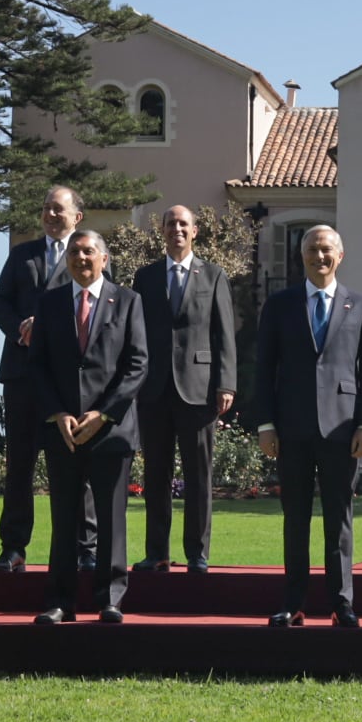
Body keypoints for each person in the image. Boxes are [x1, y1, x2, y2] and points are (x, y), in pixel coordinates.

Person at [255, 225, 362, 628]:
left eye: (326, 249)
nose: (319, 256)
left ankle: (341, 602)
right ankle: (292, 603)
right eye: (311, 249)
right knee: (295, 518)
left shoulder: (361, 305)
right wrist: (265, 424)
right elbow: (264, 369)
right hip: (291, 429)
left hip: (342, 431)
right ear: (302, 256)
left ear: (340, 256)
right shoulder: (279, 305)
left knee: (339, 519)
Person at [31, 230, 148, 624]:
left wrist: (104, 414)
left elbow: (137, 364)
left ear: (104, 257)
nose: (81, 258)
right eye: (75, 252)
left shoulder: (128, 301)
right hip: (63, 430)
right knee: (64, 520)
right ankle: (60, 601)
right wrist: (57, 413)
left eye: (89, 252)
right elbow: (38, 366)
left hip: (111, 430)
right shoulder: (49, 305)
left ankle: (109, 599)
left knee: (112, 519)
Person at [0, 186, 91, 572]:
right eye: (45, 208)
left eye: (57, 209)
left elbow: (99, 307)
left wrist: (46, 325)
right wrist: (19, 329)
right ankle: (13, 547)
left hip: (69, 380)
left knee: (78, 464)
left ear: (76, 217)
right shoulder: (21, 256)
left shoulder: (88, 255)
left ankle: (84, 547)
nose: (49, 214)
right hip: (23, 374)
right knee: (20, 465)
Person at [134, 205, 238, 573]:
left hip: (199, 389)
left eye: (183, 224)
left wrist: (226, 383)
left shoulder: (213, 275)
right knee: (155, 476)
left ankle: (197, 553)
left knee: (199, 476)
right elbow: (136, 335)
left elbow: (225, 333)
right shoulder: (144, 278)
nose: (176, 229)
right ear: (161, 231)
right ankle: (156, 552)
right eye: (170, 224)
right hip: (154, 390)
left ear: (194, 231)